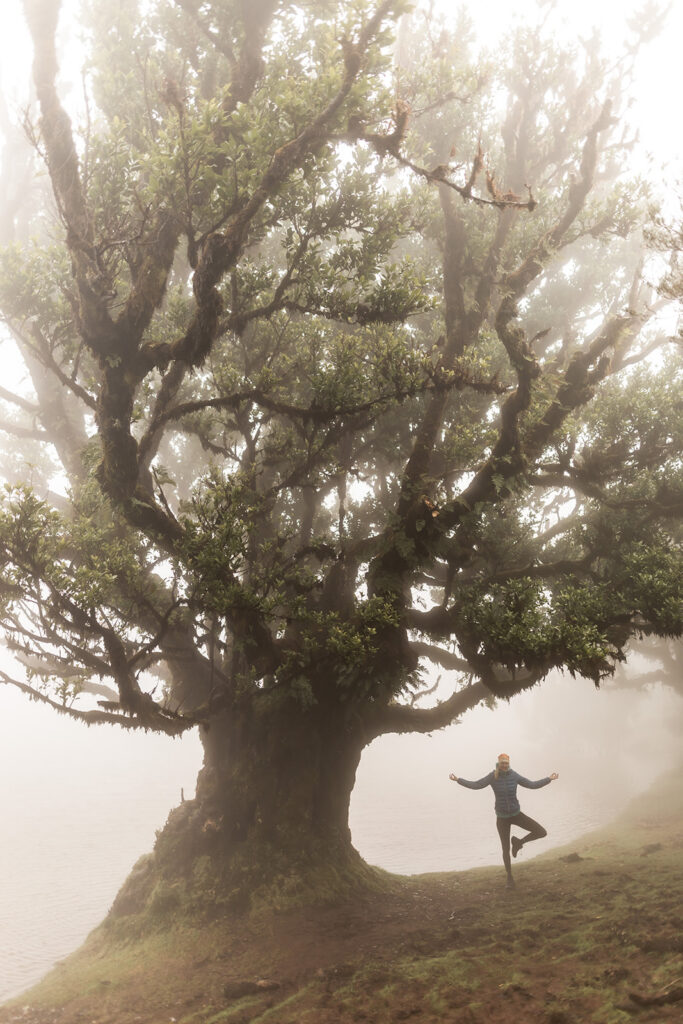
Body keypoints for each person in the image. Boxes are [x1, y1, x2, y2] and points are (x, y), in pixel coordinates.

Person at [449, 753, 559, 888]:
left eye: (506, 763)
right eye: (502, 763)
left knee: (541, 832)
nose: (505, 765)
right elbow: (477, 785)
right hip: (502, 818)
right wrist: (458, 780)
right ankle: (509, 878)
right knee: (505, 848)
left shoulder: (514, 776)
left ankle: (519, 842)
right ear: (499, 764)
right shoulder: (492, 776)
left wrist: (549, 779)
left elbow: (532, 785)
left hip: (516, 814)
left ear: (509, 763)